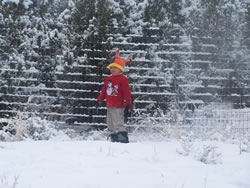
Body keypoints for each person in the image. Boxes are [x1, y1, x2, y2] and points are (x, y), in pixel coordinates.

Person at [97, 48, 133, 143]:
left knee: (118, 122)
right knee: (110, 123)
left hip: (119, 106)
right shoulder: (108, 79)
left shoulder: (123, 79)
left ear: (120, 69)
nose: (112, 69)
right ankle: (114, 138)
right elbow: (104, 90)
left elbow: (127, 92)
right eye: (111, 67)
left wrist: (128, 104)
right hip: (109, 105)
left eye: (115, 67)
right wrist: (100, 100)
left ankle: (123, 138)